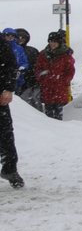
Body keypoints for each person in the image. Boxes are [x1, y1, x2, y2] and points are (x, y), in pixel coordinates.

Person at [34, 30, 74, 120]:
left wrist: (63, 80)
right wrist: (42, 77)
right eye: (51, 41)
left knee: (58, 113)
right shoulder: (43, 54)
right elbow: (37, 68)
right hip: (47, 88)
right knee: (48, 113)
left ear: (59, 42)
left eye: (55, 42)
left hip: (60, 88)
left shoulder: (66, 55)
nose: (52, 44)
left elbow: (70, 71)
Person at [1, 37, 21, 188]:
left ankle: (10, 168)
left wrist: (8, 89)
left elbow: (11, 65)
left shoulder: (2, 44)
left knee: (5, 133)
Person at [12, 29, 40, 106]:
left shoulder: (32, 50)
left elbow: (38, 65)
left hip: (29, 81)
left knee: (28, 105)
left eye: (23, 38)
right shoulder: (9, 49)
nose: (20, 40)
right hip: (14, 81)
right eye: (18, 37)